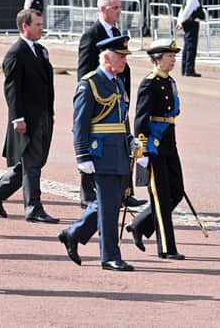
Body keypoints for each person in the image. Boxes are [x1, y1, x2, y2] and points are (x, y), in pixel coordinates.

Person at [58, 35, 140, 272]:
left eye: (124, 56)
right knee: (108, 209)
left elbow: (122, 117)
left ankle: (72, 234)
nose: (124, 61)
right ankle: (110, 256)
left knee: (109, 203)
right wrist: (82, 155)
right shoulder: (89, 84)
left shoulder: (117, 82)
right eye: (120, 56)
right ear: (106, 56)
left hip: (119, 152)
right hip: (100, 153)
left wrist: (129, 139)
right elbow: (80, 123)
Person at [0, 9, 58, 223]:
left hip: (43, 114)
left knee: (36, 161)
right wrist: (17, 118)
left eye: (41, 24)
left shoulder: (40, 50)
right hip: (28, 118)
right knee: (33, 163)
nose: (41, 28)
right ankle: (33, 208)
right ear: (25, 26)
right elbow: (12, 89)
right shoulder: (15, 53)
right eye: (37, 24)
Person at [75, 0, 145, 208]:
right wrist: (95, 96)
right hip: (99, 100)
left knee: (121, 145)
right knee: (95, 146)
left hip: (117, 97)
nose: (119, 11)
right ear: (103, 9)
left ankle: (125, 192)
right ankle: (87, 194)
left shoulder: (115, 33)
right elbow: (84, 70)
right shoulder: (91, 35)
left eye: (119, 7)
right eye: (115, 7)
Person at [125, 39, 186, 260]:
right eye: (169, 56)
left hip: (169, 143)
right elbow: (141, 118)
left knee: (177, 191)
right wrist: (142, 151)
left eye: (173, 56)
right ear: (157, 59)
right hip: (154, 146)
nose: (173, 59)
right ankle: (167, 248)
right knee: (160, 196)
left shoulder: (170, 82)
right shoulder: (149, 83)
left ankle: (139, 224)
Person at [176, 0, 204, 77]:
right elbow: (186, 12)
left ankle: (186, 69)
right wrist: (181, 21)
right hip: (191, 24)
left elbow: (182, 11)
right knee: (191, 47)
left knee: (188, 46)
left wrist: (179, 21)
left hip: (188, 23)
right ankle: (189, 69)